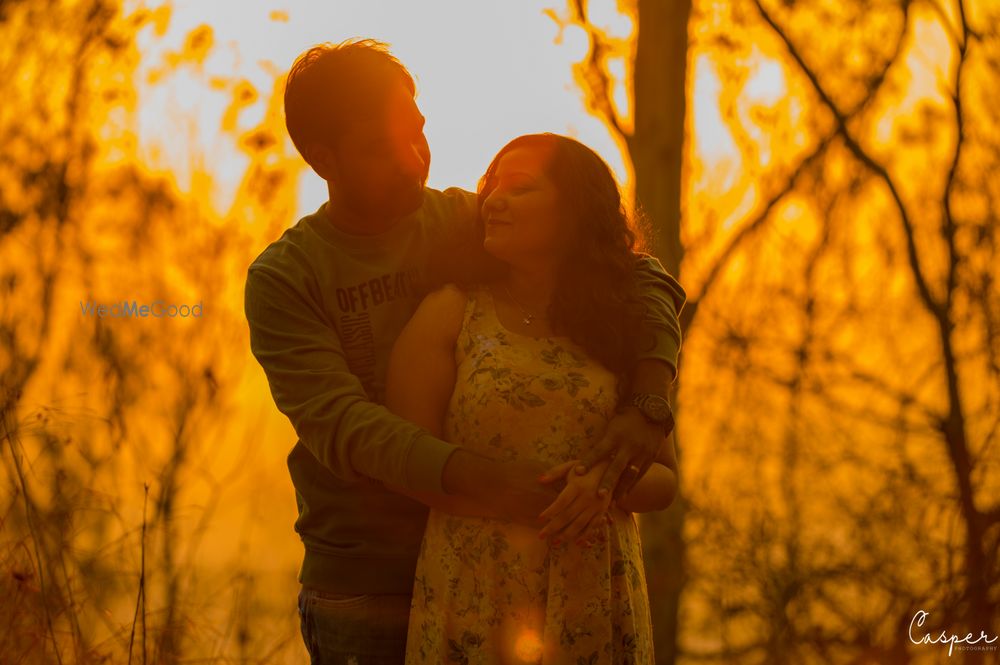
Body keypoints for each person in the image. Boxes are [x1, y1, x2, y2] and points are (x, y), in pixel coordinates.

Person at [243, 39, 686, 664]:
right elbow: (348, 428)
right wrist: (510, 489)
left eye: (417, 132)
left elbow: (639, 275)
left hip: (521, 572)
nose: (413, 159)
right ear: (323, 158)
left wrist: (647, 402)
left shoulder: (468, 220)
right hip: (367, 583)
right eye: (380, 147)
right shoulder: (288, 277)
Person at [386, 133, 675, 664]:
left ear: (575, 210)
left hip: (594, 592)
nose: (493, 200)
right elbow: (408, 463)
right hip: (476, 588)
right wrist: (517, 496)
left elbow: (664, 479)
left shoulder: (622, 322)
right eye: (491, 185)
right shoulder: (451, 311)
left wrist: (606, 486)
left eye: (518, 188)